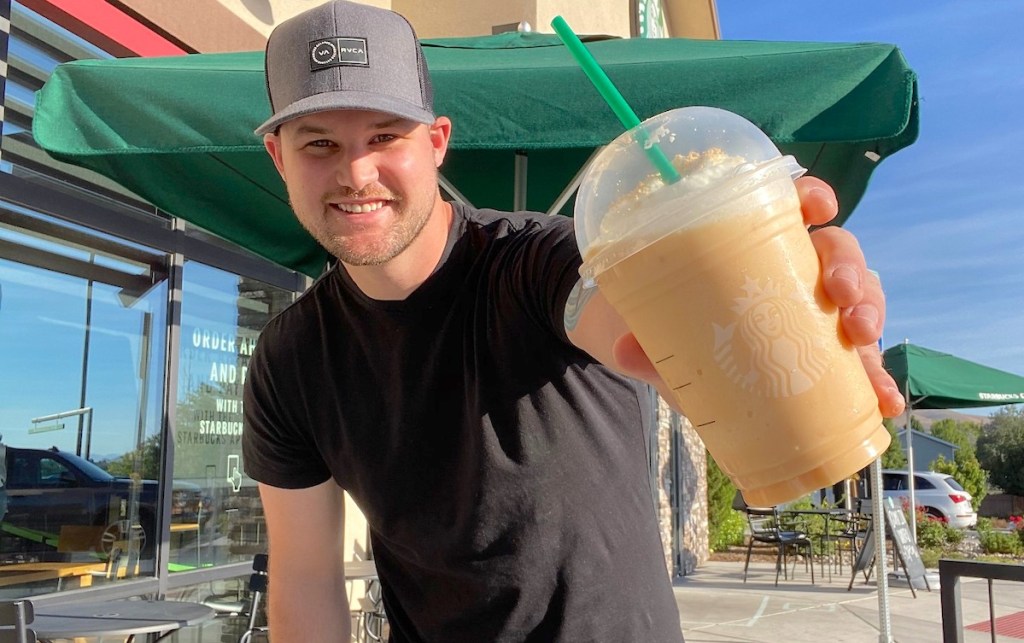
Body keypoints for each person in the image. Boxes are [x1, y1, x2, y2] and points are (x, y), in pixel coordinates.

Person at [241, 2, 906, 641]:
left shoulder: (543, 262)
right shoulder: (288, 359)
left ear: (437, 142)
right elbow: (305, 576)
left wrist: (770, 297)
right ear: (279, 157)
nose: (356, 172)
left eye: (385, 136)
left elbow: (641, 318)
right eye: (319, 143)